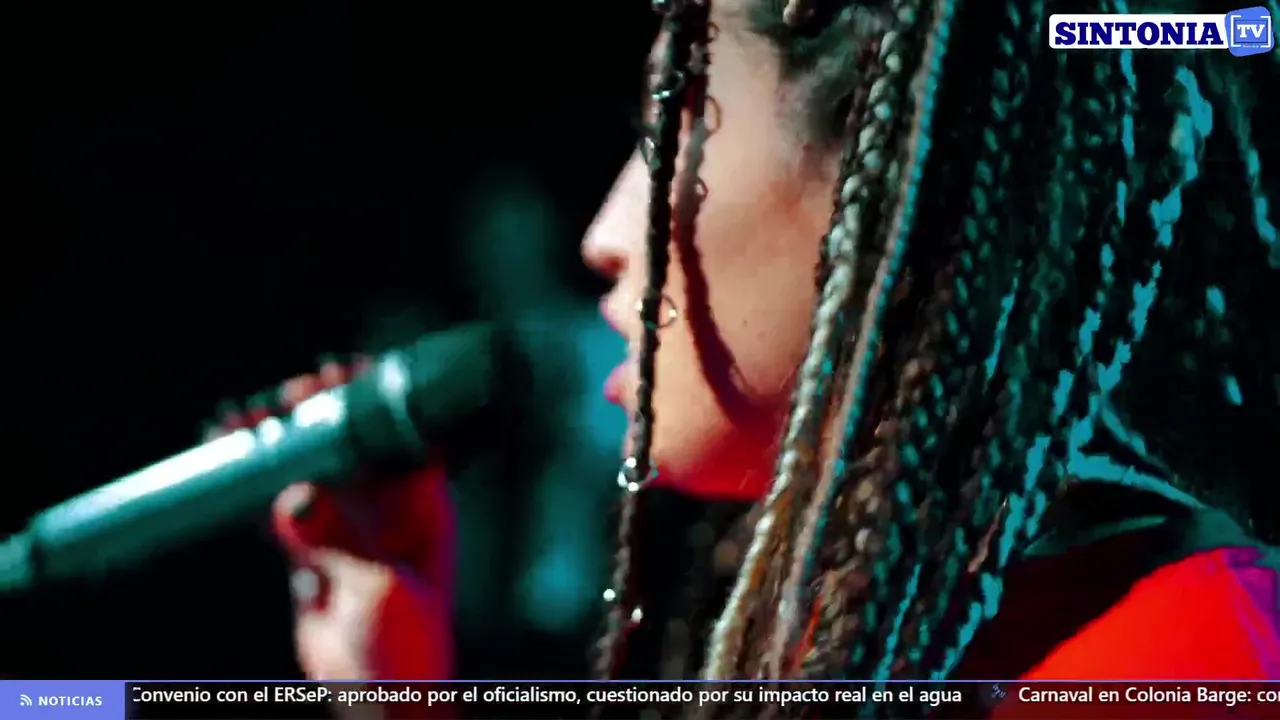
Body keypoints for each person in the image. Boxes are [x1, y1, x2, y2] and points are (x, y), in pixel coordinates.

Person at [215, 0, 1279, 714]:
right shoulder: (877, 642)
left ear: (898, 170)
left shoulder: (1187, 667)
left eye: (670, 126)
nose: (603, 235)